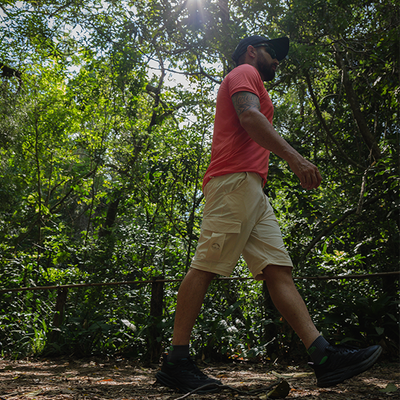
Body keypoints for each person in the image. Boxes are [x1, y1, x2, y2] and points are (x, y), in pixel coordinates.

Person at [155, 35, 382, 393]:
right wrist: (295, 158)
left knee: (277, 268)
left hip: (252, 190)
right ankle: (176, 361)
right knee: (206, 265)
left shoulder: (253, 76)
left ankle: (323, 356)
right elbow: (248, 115)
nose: (278, 61)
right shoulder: (244, 71)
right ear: (251, 51)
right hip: (232, 182)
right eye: (273, 53)